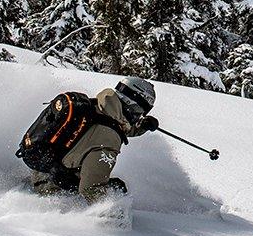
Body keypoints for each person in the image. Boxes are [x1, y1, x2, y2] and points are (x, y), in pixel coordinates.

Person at [30, 76, 159, 203]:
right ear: (133, 104)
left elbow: (115, 127)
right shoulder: (109, 140)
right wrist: (114, 214)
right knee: (117, 187)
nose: (139, 115)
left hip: (42, 171)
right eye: (140, 111)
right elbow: (91, 189)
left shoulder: (99, 107)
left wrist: (142, 126)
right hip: (51, 191)